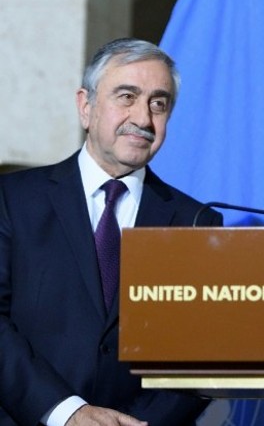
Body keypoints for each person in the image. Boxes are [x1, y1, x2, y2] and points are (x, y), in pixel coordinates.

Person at [0, 38, 222, 426]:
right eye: (127, 96)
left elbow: (200, 353)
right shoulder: (13, 200)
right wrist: (67, 413)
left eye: (159, 103)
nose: (143, 117)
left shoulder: (195, 221)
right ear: (86, 107)